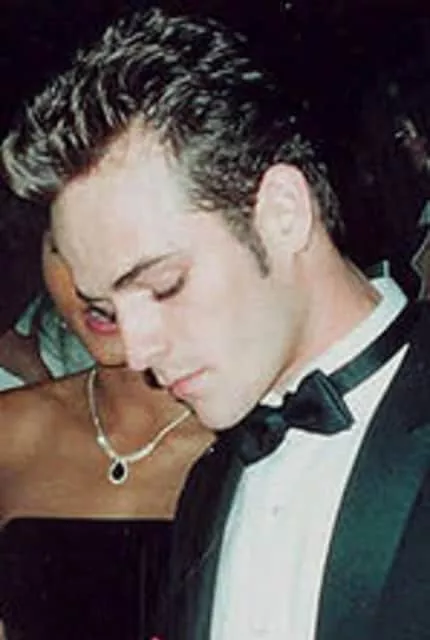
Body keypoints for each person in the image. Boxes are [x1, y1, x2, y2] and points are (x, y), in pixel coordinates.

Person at [1, 7, 430, 640]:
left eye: (164, 285)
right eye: (108, 308)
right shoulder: (209, 483)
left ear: (282, 213)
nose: (137, 351)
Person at [0, 230, 213, 639]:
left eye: (130, 244)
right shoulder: (12, 430)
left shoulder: (264, 439)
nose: (91, 283)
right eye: (66, 246)